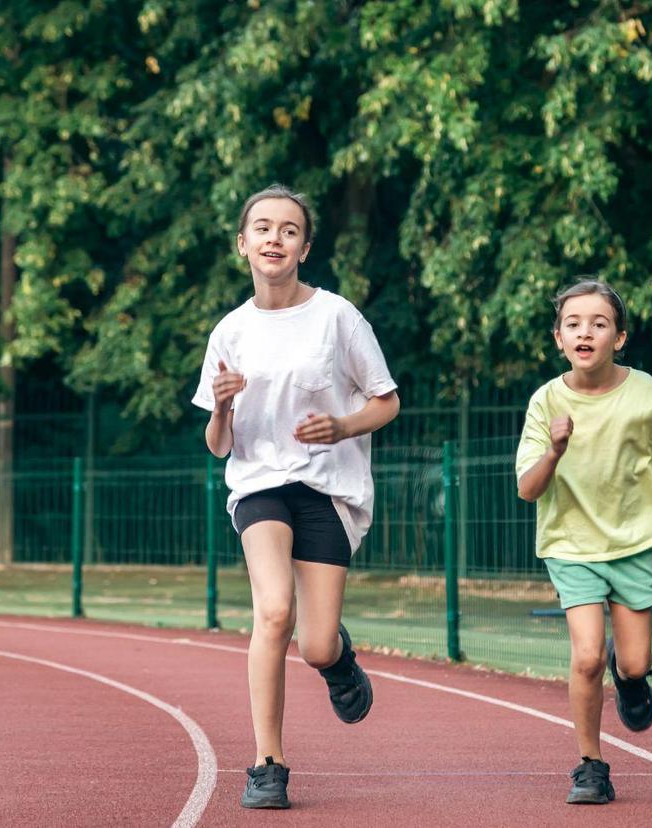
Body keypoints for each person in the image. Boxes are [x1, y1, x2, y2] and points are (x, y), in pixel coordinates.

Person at [192, 184, 400, 810]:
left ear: (304, 246)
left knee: (313, 643)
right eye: (262, 228)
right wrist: (223, 405)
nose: (274, 238)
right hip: (259, 486)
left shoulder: (338, 317)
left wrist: (340, 427)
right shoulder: (229, 331)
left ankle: (338, 661)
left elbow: (386, 400)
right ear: (243, 245)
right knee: (272, 611)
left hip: (327, 488)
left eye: (288, 229)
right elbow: (218, 445)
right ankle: (267, 764)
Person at [515, 279, 652, 805]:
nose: (585, 332)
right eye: (573, 324)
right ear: (558, 338)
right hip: (571, 544)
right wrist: (555, 451)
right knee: (586, 656)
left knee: (631, 664)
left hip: (636, 542)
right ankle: (590, 765)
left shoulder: (647, 394)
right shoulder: (546, 402)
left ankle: (631, 676)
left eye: (598, 323)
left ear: (620, 337)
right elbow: (527, 489)